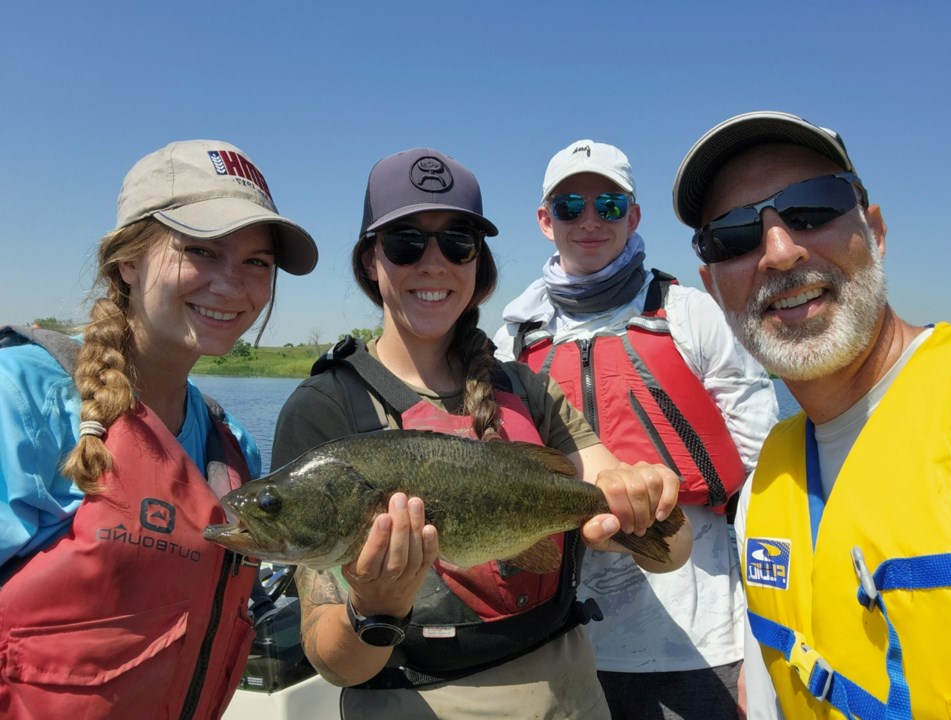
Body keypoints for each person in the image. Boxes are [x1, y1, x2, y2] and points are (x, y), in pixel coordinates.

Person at [270, 146, 693, 719]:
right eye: (405, 243)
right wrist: (374, 610)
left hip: (568, 690)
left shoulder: (527, 389)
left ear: (478, 263)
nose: (433, 262)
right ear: (372, 260)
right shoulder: (324, 409)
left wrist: (651, 502)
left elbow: (668, 553)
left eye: (458, 242)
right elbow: (334, 662)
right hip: (416, 698)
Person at [0, 139, 318, 719]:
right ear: (128, 259)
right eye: (201, 250)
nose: (232, 283)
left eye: (257, 262)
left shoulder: (233, 451)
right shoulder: (20, 399)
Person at [673, 110, 951, 720]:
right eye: (733, 235)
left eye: (812, 208)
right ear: (713, 285)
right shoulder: (762, 492)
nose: (778, 250)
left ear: (875, 231)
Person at [493, 139, 779, 719]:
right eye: (571, 207)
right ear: (547, 221)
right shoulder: (513, 339)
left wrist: (763, 642)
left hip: (701, 644)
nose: (590, 220)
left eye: (610, 205)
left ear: (635, 217)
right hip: (562, 643)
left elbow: (769, 485)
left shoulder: (691, 314)